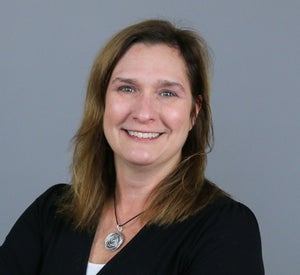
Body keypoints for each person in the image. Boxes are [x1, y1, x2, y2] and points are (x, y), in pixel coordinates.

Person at [0, 19, 264, 274]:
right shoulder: (53, 211)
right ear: (102, 103)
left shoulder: (226, 228)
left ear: (194, 113)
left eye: (167, 93)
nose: (143, 112)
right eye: (127, 89)